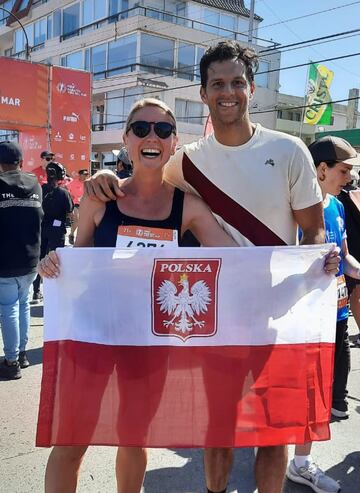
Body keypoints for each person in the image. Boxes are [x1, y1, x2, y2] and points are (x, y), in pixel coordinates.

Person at [83, 41, 341, 493]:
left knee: (272, 431)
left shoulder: (290, 150)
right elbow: (141, 188)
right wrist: (102, 179)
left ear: (252, 89)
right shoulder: (184, 162)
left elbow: (314, 233)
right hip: (215, 318)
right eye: (217, 84)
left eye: (237, 82)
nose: (228, 92)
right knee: (219, 429)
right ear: (203, 93)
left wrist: (323, 262)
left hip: (276, 314)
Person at [38, 98, 239, 493]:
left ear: (174, 141)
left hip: (150, 343)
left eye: (163, 130)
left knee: (135, 436)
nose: (152, 136)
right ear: (127, 138)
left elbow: (241, 260)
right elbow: (79, 261)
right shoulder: (99, 196)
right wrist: (53, 264)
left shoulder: (188, 206)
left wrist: (311, 261)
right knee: (71, 440)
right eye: (142, 128)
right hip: (92, 333)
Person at [287, 136, 360, 493]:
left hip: (336, 315)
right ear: (321, 169)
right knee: (301, 394)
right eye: (343, 170)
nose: (349, 177)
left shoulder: (339, 207)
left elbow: (345, 259)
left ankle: (300, 462)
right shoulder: (293, 209)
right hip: (303, 320)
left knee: (319, 396)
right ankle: (289, 461)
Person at [0, 141, 42, 379]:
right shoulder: (34, 183)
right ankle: (22, 353)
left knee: (9, 309)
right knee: (23, 305)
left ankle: (11, 361)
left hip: (6, 261)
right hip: (30, 260)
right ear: (20, 161)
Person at [32, 162, 73, 303]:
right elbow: (70, 212)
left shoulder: (39, 189)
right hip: (57, 231)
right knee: (57, 262)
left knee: (40, 260)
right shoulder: (64, 192)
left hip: (41, 229)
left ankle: (36, 291)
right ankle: (57, 292)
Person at [338, 168, 360, 347]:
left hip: (351, 254)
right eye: (342, 171)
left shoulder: (338, 202)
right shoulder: (339, 202)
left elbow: (345, 254)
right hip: (349, 255)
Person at [67, 169, 89, 244]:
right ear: (80, 175)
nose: (86, 176)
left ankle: (76, 237)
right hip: (76, 204)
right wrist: (70, 196)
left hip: (86, 205)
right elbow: (66, 189)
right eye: (85, 174)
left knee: (84, 223)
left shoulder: (89, 183)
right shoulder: (73, 182)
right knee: (77, 220)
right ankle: (72, 234)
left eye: (87, 174)